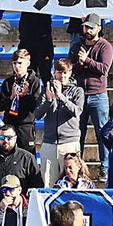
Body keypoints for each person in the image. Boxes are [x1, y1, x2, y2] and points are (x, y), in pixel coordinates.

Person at [69, 14, 113, 157]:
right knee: (77, 134)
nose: (87, 30)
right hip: (79, 95)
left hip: (98, 95)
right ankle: (77, 165)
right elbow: (70, 69)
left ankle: (105, 169)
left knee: (102, 133)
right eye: (85, 27)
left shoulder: (105, 46)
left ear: (98, 28)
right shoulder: (76, 46)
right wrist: (80, 64)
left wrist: (87, 60)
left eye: (91, 27)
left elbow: (103, 69)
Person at [35, 58, 84, 187]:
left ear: (70, 73)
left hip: (69, 142)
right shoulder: (47, 89)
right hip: (49, 142)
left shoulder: (77, 91)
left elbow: (77, 111)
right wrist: (48, 101)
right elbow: (38, 115)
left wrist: (61, 96)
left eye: (65, 72)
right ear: (54, 73)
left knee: (71, 182)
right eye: (58, 72)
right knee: (48, 184)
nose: (62, 76)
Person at [0, 123, 38, 220]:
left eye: (9, 137)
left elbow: (37, 186)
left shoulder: (27, 158)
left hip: (21, 213)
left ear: (15, 138)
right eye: (2, 137)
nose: (5, 141)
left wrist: (25, 203)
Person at [0, 49, 42, 151]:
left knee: (27, 158)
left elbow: (35, 106)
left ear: (28, 63)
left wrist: (26, 96)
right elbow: (1, 107)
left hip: (26, 127)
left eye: (20, 63)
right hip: (10, 126)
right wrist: (11, 97)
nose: (17, 67)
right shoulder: (8, 82)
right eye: (14, 63)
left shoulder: (34, 82)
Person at [19, 11, 55, 82]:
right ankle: (28, 92)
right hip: (26, 38)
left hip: (43, 40)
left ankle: (50, 92)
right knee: (26, 75)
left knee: (46, 73)